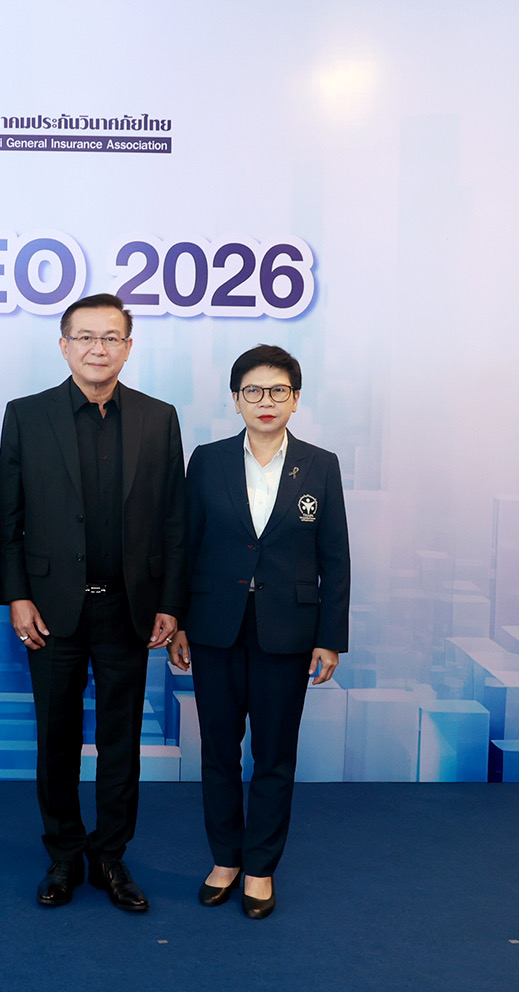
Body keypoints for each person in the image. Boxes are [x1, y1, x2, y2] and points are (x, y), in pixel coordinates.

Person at [0, 292, 185, 912]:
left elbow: (174, 520)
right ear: (64, 345)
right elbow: (7, 519)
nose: (97, 348)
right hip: (51, 610)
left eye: (111, 337)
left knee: (120, 739)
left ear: (128, 347)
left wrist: (170, 602)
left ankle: (110, 856)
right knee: (55, 737)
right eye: (85, 337)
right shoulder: (27, 416)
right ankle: (63, 855)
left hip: (129, 608)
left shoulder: (159, 418)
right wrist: (17, 596)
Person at [168, 344, 349, 920]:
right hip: (214, 627)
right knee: (219, 751)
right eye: (253, 390)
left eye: (278, 391)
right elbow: (185, 544)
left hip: (288, 632)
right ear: (235, 399)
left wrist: (330, 636)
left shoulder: (320, 465)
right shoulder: (208, 460)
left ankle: (261, 866)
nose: (265, 401)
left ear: (295, 399)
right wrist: (178, 621)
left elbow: (335, 557)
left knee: (274, 754)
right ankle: (225, 859)